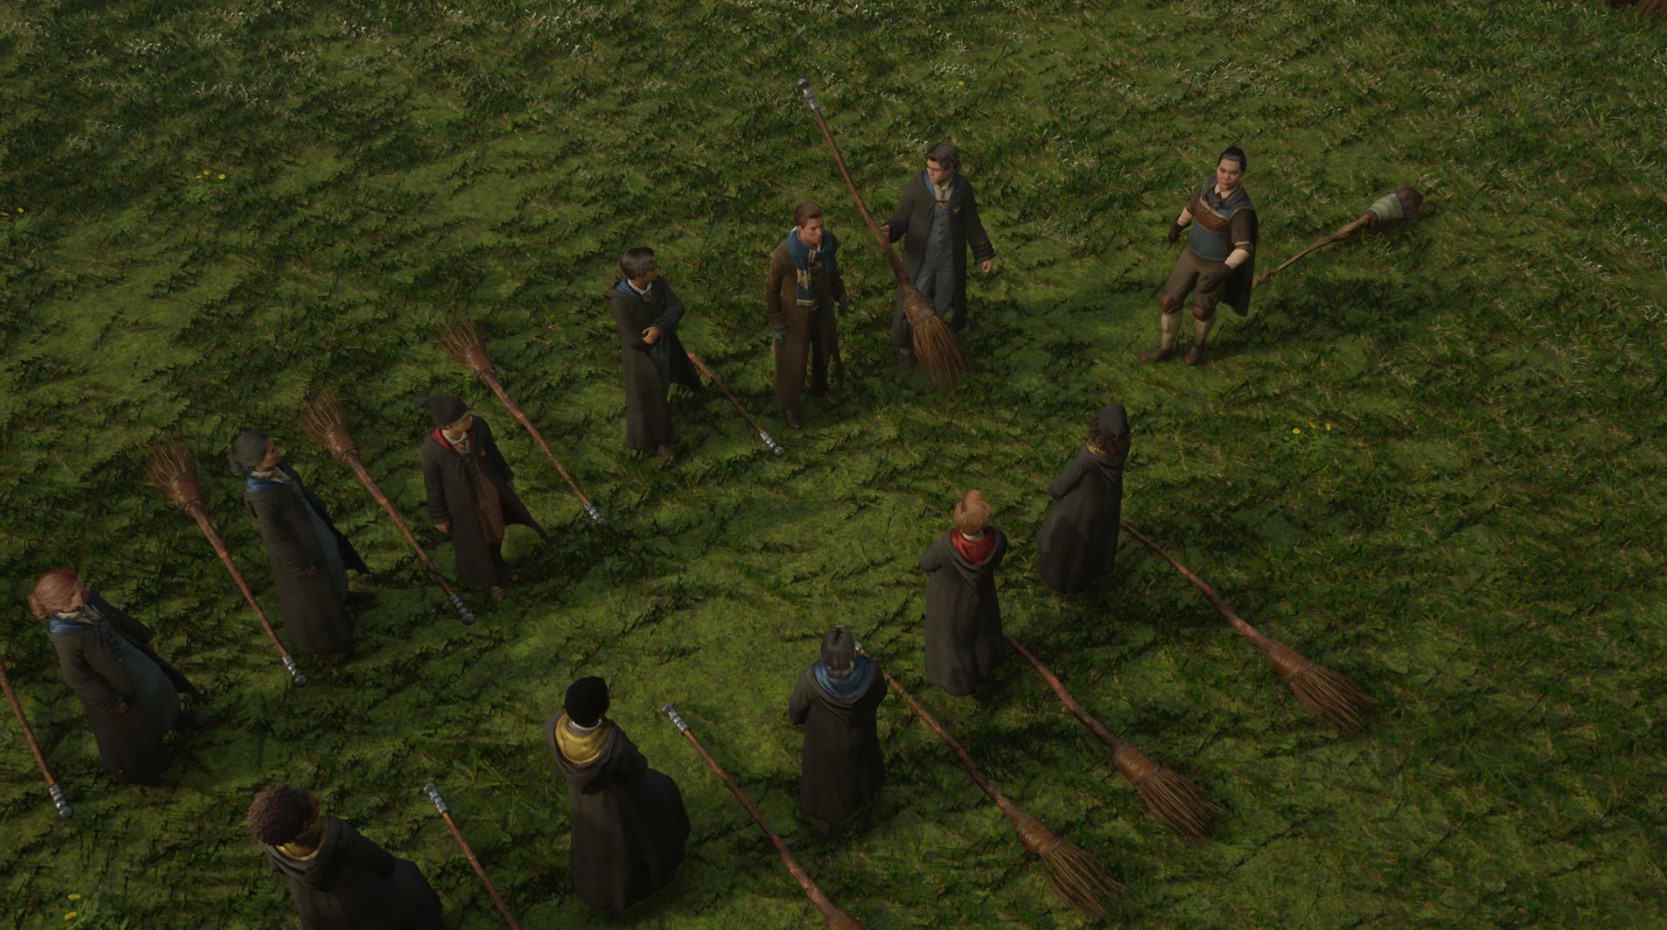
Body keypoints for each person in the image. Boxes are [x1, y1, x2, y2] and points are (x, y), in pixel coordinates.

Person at [32, 569, 201, 786]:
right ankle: (149, 772)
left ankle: (173, 719)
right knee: (135, 732)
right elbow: (79, 679)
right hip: (116, 686)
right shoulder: (66, 639)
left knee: (158, 688)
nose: (84, 590)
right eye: (76, 592)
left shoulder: (91, 602)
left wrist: (141, 635)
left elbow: (117, 616)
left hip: (133, 663)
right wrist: (111, 701)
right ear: (62, 603)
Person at [545, 676, 689, 910]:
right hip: (617, 804)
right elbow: (637, 767)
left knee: (594, 845)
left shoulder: (552, 727)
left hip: (583, 803)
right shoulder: (613, 744)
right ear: (602, 708)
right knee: (651, 813)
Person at [230, 431, 366, 659]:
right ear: (256, 462)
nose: (278, 452)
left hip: (312, 526)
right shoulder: (261, 497)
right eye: (272, 451)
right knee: (314, 598)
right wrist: (301, 563)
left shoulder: (278, 467)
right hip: (301, 547)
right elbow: (276, 538)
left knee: (333, 556)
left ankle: (341, 595)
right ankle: (328, 646)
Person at [248, 784, 444, 930]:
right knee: (408, 878)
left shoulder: (271, 840)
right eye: (315, 806)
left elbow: (277, 868)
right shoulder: (336, 834)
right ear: (305, 825)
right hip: (359, 899)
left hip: (313, 910)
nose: (317, 801)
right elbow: (384, 865)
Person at [417, 395, 546, 603]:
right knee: (477, 541)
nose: (470, 419)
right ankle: (494, 580)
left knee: (495, 529)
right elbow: (433, 486)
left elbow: (493, 453)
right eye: (463, 419)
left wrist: (506, 477)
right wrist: (439, 516)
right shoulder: (431, 451)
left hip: (487, 490)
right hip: (462, 504)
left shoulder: (478, 427)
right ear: (449, 426)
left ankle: (498, 563)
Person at [1141, 146, 1259, 366]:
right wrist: (1178, 225)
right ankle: (1166, 349)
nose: (1226, 177)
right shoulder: (1208, 185)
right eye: (1222, 170)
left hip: (1214, 266)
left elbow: (1244, 248)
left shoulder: (1240, 210)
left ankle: (1197, 346)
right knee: (1168, 302)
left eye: (1232, 173)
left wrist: (1222, 271)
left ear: (1241, 173)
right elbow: (1192, 206)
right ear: (1217, 168)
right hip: (1191, 256)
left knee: (1202, 311)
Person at [880, 141, 996, 363]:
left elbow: (972, 223)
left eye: (936, 169)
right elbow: (902, 217)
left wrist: (984, 254)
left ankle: (934, 342)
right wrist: (890, 229)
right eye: (928, 168)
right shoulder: (917, 186)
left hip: (949, 261)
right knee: (915, 301)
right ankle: (908, 346)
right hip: (920, 260)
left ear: (951, 168)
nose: (930, 173)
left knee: (943, 302)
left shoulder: (962, 189)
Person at [787, 626, 886, 832]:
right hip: (861, 736)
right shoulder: (871, 672)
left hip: (824, 745)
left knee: (826, 787)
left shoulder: (811, 680)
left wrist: (801, 720)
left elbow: (796, 711)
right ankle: (864, 802)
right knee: (862, 772)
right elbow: (880, 693)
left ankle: (824, 820)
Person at [610, 247, 703, 463]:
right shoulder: (621, 301)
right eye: (652, 268)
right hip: (642, 360)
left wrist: (659, 327)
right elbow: (631, 339)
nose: (657, 270)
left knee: (663, 386)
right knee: (650, 399)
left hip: (663, 348)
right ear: (639, 276)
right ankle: (659, 440)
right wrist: (647, 339)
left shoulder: (657, 283)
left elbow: (676, 306)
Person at [766, 201, 849, 430]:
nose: (819, 232)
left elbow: (832, 270)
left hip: (822, 309)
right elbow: (771, 289)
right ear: (800, 228)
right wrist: (777, 321)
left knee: (824, 350)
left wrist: (838, 292)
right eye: (813, 228)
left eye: (821, 226)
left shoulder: (829, 243)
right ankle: (790, 406)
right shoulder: (785, 254)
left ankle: (820, 389)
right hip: (795, 316)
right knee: (793, 362)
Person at [919, 491, 1009, 696]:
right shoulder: (998, 541)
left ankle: (958, 684)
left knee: (953, 645)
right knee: (980, 636)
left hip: (950, 603)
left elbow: (926, 563)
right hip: (982, 599)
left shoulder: (946, 547)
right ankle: (983, 670)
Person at [1036, 404, 1131, 594]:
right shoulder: (1123, 443)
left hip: (1079, 507)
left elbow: (1059, 487)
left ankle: (1061, 580)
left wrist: (1055, 492)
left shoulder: (1087, 458)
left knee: (1070, 544)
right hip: (1108, 500)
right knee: (1095, 540)